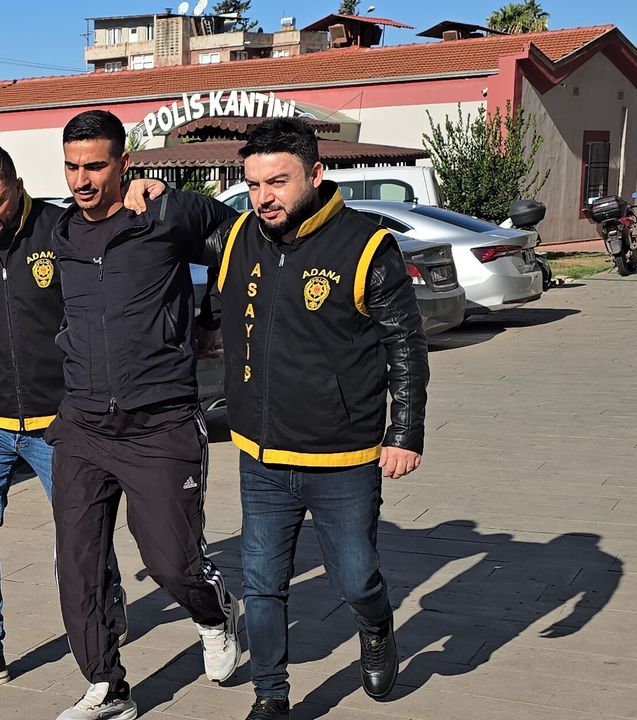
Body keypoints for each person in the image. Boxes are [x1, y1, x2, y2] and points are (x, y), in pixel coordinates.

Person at [202, 118, 429, 720]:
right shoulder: (239, 237)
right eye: (253, 185)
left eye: (278, 182)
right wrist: (148, 191)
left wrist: (404, 432)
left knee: (355, 578)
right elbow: (188, 232)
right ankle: (270, 696)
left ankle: (376, 627)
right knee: (262, 583)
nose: (263, 198)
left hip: (342, 457)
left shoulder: (367, 245)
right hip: (262, 456)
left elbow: (405, 345)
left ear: (316, 174)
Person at [0, 140, 161, 697]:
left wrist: (147, 195)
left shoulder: (59, 229)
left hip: (61, 419)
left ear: (18, 187)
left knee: (83, 531)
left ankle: (106, 606)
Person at [46, 109, 241, 720]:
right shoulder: (58, 233)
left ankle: (216, 613)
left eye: (95, 166)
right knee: (78, 566)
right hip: (83, 424)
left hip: (160, 421)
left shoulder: (161, 215)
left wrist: (210, 318)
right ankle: (107, 687)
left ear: (124, 163)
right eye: (72, 167)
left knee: (170, 562)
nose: (82, 180)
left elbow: (235, 235)